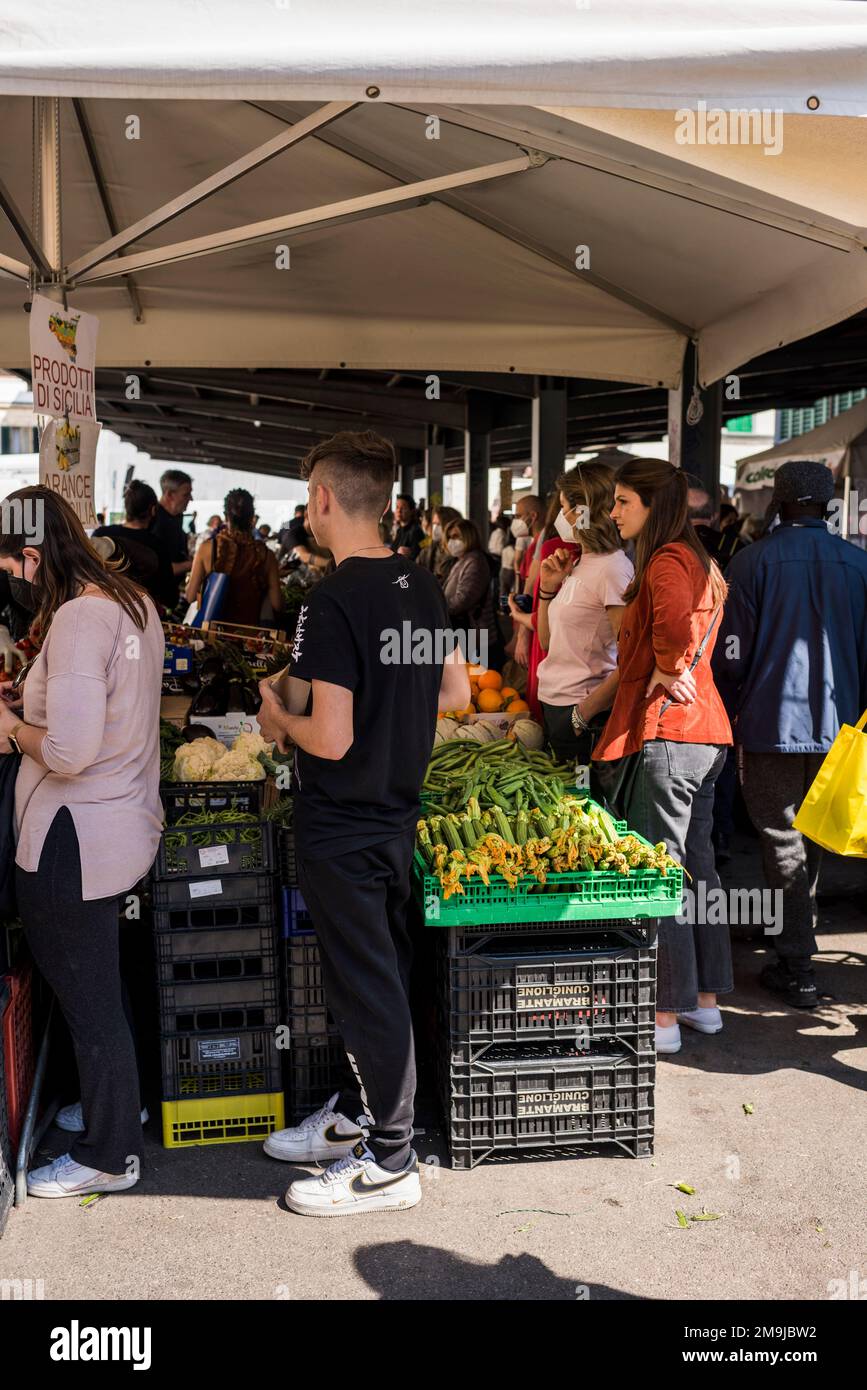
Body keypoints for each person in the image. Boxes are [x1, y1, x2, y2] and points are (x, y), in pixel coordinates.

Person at [256, 430, 470, 1217]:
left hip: (341, 825)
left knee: (366, 989)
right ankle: (356, 1117)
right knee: (376, 983)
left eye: (309, 494)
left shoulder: (332, 599)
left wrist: (277, 719)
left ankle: (388, 1163)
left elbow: (331, 737)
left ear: (323, 499)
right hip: (395, 820)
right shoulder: (420, 584)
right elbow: (455, 697)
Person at [0, 486, 163, 1198]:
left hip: (75, 835)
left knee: (87, 998)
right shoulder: (132, 602)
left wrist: (7, 729)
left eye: (9, 565)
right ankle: (116, 1105)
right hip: (122, 822)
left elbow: (68, 749)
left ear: (31, 555)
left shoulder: (76, 620)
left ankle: (108, 1153)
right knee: (102, 985)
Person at [712, 460, 867, 1008]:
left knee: (780, 837)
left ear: (779, 501)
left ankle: (797, 960)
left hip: (768, 725)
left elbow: (730, 657)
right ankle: (792, 927)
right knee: (813, 833)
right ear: (827, 504)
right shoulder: (859, 564)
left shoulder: (751, 563)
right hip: (841, 729)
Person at [592, 459, 732, 1056]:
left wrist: (663, 667)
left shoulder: (668, 559)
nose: (613, 512)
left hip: (671, 734)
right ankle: (705, 1004)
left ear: (654, 506)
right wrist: (666, 664)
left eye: (623, 502)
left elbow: (673, 624)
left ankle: (664, 1016)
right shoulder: (698, 557)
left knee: (663, 873)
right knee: (698, 868)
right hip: (706, 735)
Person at [532, 464, 633, 765]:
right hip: (555, 705)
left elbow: (631, 657)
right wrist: (547, 590)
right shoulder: (579, 562)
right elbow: (547, 641)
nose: (560, 517)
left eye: (564, 507)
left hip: (582, 712)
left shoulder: (612, 569)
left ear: (583, 511)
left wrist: (582, 714)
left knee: (584, 801)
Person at [186, 488, 284, 627]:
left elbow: (190, 596)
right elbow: (277, 604)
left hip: (211, 635)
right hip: (248, 637)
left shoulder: (208, 548)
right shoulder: (267, 555)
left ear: (226, 517)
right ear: (252, 518)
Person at [92, 480, 175, 607]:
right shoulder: (157, 545)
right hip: (142, 615)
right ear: (153, 510)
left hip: (100, 609)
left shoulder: (101, 534)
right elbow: (169, 596)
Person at [442, 518, 499, 669]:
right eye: (449, 537)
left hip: (476, 636)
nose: (452, 541)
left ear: (469, 537)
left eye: (457, 536)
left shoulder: (475, 561)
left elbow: (462, 600)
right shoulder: (461, 560)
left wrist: (436, 607)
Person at [509, 494, 545, 672]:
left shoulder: (542, 544)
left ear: (533, 516)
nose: (515, 521)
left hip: (533, 625)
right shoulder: (533, 544)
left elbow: (531, 593)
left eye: (517, 516)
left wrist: (521, 636)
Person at [149, 468, 193, 606]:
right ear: (169, 495)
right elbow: (159, 568)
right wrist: (195, 563)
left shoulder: (176, 518)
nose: (190, 499)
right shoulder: (156, 522)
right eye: (186, 495)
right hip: (157, 600)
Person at [418, 504, 462, 584]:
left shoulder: (456, 550)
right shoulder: (430, 548)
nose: (434, 528)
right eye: (434, 523)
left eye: (438, 524)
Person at [392, 494, 425, 560]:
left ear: (412, 511)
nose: (399, 511)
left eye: (403, 508)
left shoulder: (416, 531)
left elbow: (417, 554)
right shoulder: (399, 530)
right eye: (397, 507)